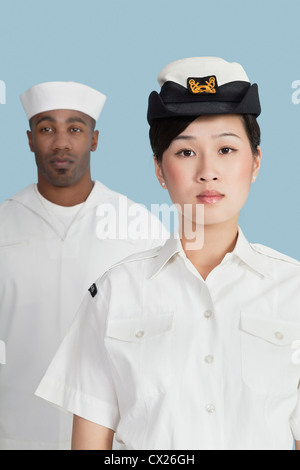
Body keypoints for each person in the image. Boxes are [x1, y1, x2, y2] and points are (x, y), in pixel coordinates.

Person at [35, 58, 300, 450]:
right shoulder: (114, 294)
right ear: (159, 169)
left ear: (255, 162)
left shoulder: (293, 291)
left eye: (226, 149)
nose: (208, 172)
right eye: (186, 153)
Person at [0, 81, 168, 450]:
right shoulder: (3, 224)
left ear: (94, 139)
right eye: (47, 129)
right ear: (30, 139)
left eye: (75, 129)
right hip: (14, 434)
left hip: (114, 440)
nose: (61, 142)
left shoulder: (139, 227)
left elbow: (165, 346)